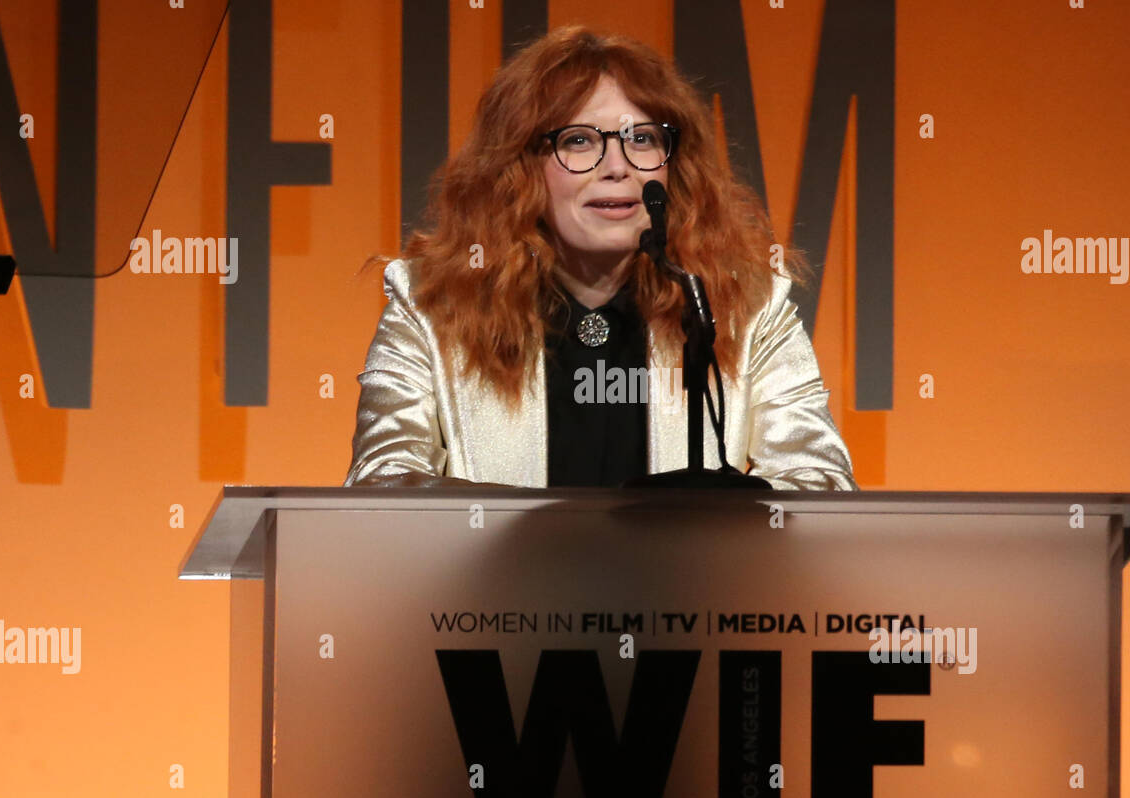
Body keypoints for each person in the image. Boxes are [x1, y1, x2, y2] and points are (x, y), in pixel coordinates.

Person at [343, 25, 858, 491]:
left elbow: (820, 483)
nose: (617, 167)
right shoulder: (433, 305)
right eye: (580, 141)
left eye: (642, 139)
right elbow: (383, 484)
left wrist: (717, 522)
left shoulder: (744, 305)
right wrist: (535, 534)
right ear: (520, 167)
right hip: (496, 596)